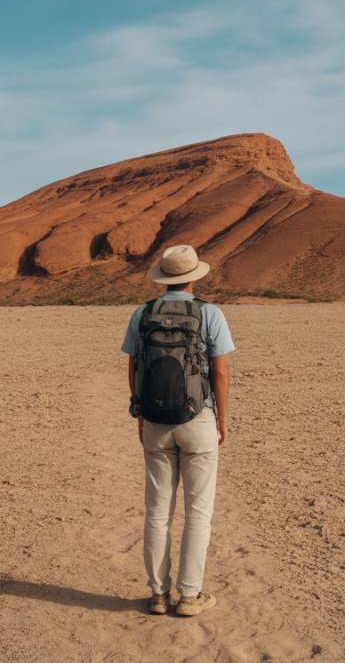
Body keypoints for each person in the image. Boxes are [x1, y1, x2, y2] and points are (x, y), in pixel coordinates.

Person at [121, 244, 234, 617]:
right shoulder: (209, 313)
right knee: (198, 512)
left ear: (164, 278)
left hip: (155, 421)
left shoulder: (142, 313)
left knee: (157, 512)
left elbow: (133, 367)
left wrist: (140, 412)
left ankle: (158, 594)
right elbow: (220, 372)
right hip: (198, 419)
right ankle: (189, 596)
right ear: (193, 278)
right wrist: (222, 419)